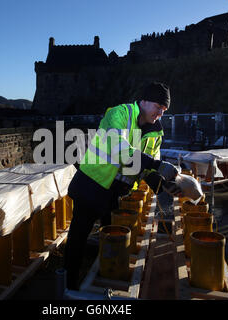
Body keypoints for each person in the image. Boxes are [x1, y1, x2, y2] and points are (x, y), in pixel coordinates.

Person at [63, 82, 180, 290]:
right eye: (158, 107)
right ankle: (67, 285)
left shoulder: (155, 134)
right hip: (91, 185)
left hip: (115, 194)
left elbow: (148, 169)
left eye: (164, 111)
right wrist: (156, 165)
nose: (160, 114)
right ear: (143, 101)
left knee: (112, 239)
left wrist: (164, 185)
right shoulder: (119, 114)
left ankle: (106, 278)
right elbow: (120, 149)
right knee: (78, 238)